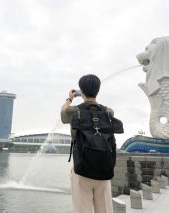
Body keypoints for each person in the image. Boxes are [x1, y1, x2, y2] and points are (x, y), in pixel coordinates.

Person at [61, 74, 115, 213]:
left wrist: (70, 98)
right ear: (98, 90)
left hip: (81, 169)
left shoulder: (74, 111)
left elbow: (63, 112)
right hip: (103, 169)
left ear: (81, 91)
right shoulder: (108, 112)